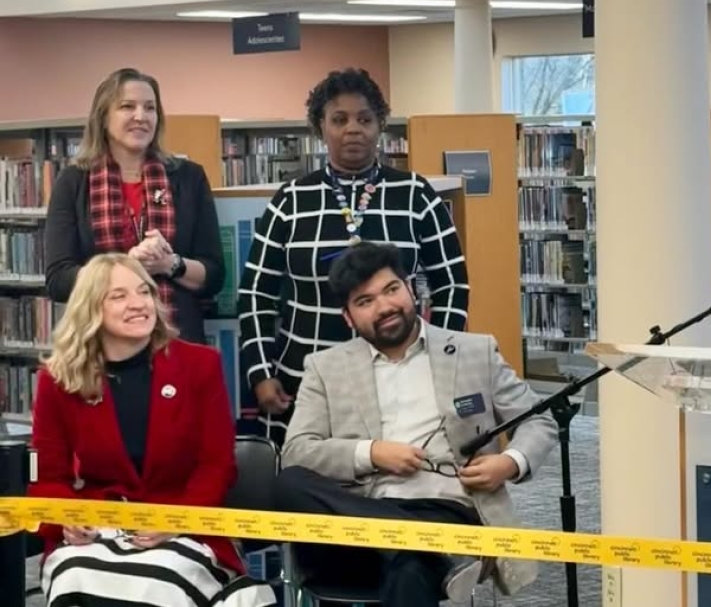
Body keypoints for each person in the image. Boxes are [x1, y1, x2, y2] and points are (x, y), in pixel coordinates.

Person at [271, 242, 553, 606]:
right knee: (289, 482)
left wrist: (510, 462)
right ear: (348, 317)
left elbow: (538, 419)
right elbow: (297, 451)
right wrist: (371, 453)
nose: (384, 307)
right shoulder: (325, 368)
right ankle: (421, 543)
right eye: (365, 301)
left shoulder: (474, 352)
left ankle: (419, 544)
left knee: (409, 567)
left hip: (445, 513)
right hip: (354, 522)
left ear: (411, 289)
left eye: (391, 290)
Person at [28, 253, 275, 607]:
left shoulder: (200, 365)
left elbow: (217, 466)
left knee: (161, 582)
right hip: (98, 531)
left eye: (144, 291)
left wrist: (176, 519)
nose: (138, 303)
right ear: (89, 309)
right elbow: (46, 478)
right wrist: (68, 519)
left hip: (182, 528)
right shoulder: (56, 381)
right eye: (119, 296)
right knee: (74, 576)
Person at [238, 67, 469, 444]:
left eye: (365, 119)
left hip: (402, 375)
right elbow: (255, 294)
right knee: (306, 472)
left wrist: (441, 360)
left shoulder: (415, 194)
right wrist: (261, 371)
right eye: (339, 119)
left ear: (380, 125)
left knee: (396, 470)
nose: (353, 129)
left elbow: (453, 285)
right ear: (320, 127)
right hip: (304, 377)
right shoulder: (291, 200)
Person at [44, 67, 225, 344]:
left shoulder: (189, 177)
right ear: (103, 117)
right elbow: (58, 281)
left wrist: (169, 264)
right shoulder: (73, 181)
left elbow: (213, 276)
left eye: (150, 108)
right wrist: (126, 267)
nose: (141, 116)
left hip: (178, 340)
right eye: (127, 106)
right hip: (100, 343)